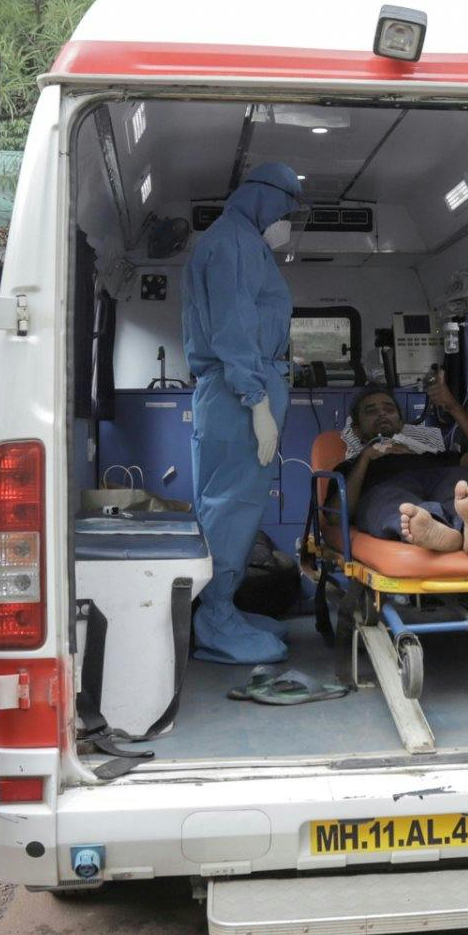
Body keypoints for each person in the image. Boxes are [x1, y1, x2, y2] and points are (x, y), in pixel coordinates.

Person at [182, 162, 304, 664]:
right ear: (264, 198)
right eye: (287, 208)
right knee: (230, 508)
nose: (287, 220)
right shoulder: (231, 243)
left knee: (229, 504)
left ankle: (223, 606)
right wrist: (256, 403)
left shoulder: (242, 242)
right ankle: (215, 620)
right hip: (238, 396)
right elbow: (233, 329)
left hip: (238, 391)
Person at [339, 369, 468, 558]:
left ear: (400, 423)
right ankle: (430, 527)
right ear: (357, 430)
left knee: (460, 483)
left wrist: (452, 405)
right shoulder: (354, 466)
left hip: (437, 475)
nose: (382, 414)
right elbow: (335, 514)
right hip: (385, 484)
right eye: (371, 411)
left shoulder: (432, 453)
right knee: (391, 499)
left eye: (389, 409)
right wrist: (366, 458)